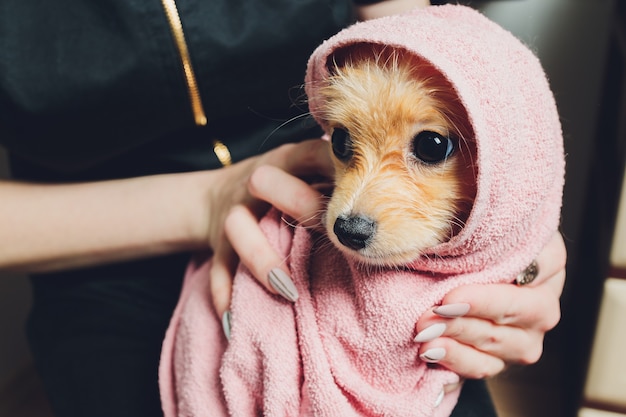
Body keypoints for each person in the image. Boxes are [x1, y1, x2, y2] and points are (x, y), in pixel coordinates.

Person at [0, 0, 566, 416]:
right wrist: (207, 201)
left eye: (430, 147)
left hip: (314, 202)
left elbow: (421, 51)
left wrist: (512, 229)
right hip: (99, 257)